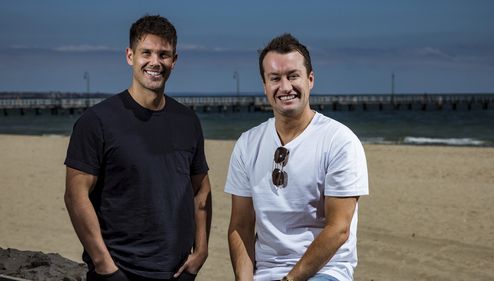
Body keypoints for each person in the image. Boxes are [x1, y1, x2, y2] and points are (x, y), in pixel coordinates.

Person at [64, 15, 211, 281]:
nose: (155, 62)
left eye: (164, 54)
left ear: (174, 61)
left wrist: (201, 252)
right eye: (147, 53)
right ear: (130, 56)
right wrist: (104, 266)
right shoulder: (96, 121)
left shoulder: (188, 121)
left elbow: (201, 189)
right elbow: (76, 196)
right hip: (120, 273)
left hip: (177, 272)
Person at [225, 33, 369, 281]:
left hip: (325, 271)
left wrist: (289, 280)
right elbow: (241, 226)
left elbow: (339, 229)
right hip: (266, 272)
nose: (285, 87)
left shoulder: (339, 141)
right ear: (265, 86)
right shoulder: (247, 144)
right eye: (275, 79)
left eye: (293, 76)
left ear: (310, 79)